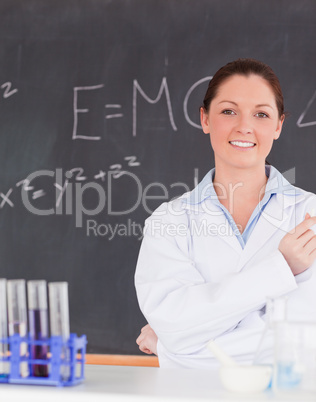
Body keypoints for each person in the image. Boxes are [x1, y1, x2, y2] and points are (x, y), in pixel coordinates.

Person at [134, 58, 316, 369]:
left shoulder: (309, 215)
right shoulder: (169, 221)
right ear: (205, 119)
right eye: (228, 111)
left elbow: (302, 343)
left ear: (278, 126)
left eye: (261, 114)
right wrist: (280, 268)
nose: (244, 126)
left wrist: (170, 348)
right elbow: (175, 326)